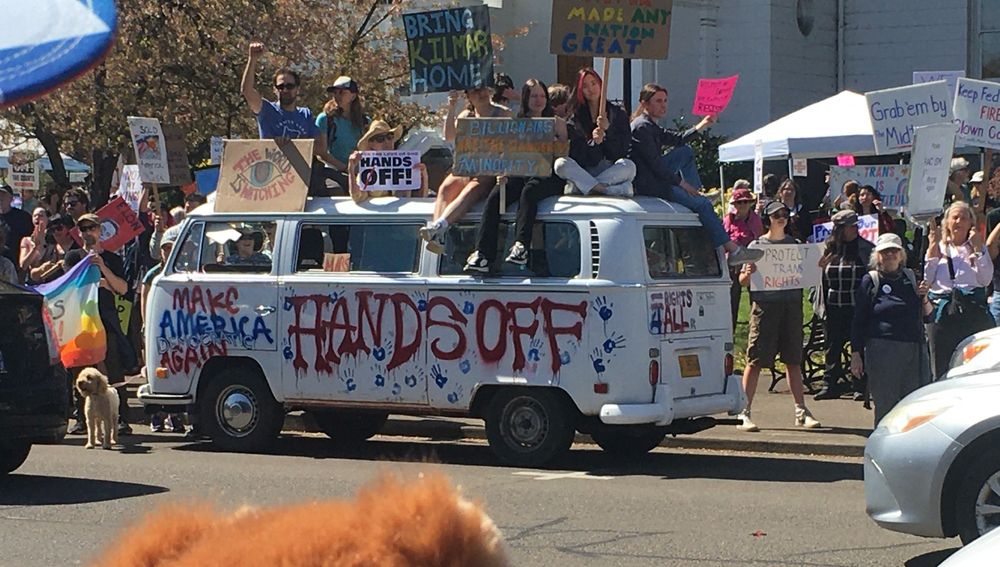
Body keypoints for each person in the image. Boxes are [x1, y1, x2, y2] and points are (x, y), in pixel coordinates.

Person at [629, 83, 763, 266]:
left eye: (665, 101)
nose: (663, 105)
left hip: (657, 176)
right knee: (701, 205)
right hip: (652, 184)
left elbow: (677, 139)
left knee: (684, 151)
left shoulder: (649, 125)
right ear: (644, 104)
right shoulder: (641, 127)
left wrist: (703, 124)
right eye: (658, 101)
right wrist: (682, 184)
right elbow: (656, 165)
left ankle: (699, 193)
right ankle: (734, 250)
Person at [464, 78, 568, 273]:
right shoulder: (515, 123)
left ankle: (521, 246)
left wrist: (553, 140)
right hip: (520, 172)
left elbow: (563, 156)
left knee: (529, 192)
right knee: (496, 196)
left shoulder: (557, 123)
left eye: (543, 96)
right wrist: (502, 171)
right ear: (526, 98)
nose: (539, 100)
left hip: (547, 175)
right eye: (534, 95)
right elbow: (507, 152)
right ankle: (483, 254)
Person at [736, 200, 821, 432]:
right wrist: (749, 272)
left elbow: (808, 272)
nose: (781, 217)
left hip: (791, 306)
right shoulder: (756, 245)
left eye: (784, 213)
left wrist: (817, 264)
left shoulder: (795, 245)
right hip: (764, 307)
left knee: (793, 359)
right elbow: (743, 281)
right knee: (755, 360)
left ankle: (801, 411)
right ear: (767, 219)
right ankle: (744, 411)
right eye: (776, 215)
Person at [851, 233, 932, 425]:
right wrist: (856, 353)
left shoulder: (912, 278)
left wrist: (925, 297)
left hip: (914, 349)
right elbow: (858, 320)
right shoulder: (870, 281)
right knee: (886, 405)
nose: (890, 255)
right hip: (882, 350)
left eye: (894, 251)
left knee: (914, 404)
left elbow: (928, 315)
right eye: (885, 251)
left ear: (901, 254)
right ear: (877, 255)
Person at [64, 213, 133, 436]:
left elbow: (122, 288)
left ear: (99, 230)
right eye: (83, 229)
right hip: (82, 320)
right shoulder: (73, 256)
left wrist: (103, 269)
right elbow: (69, 285)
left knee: (112, 368)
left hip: (106, 320)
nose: (88, 233)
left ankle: (121, 416)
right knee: (81, 369)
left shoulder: (112, 258)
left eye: (91, 228)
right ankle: (82, 418)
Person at [419, 87, 512, 253]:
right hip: (468, 168)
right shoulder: (466, 116)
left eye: (483, 90)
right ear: (468, 96)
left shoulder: (503, 113)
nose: (481, 94)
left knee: (470, 191)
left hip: (490, 171)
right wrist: (452, 107)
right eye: (475, 92)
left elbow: (513, 144)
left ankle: (441, 225)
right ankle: (437, 234)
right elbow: (449, 136)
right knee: (446, 188)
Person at [925, 202, 994, 378]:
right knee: (940, 365)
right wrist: (932, 254)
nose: (958, 221)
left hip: (971, 311)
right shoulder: (938, 247)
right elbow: (928, 281)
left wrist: (978, 250)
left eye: (963, 218)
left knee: (973, 365)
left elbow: (985, 279)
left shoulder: (977, 247)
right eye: (955, 217)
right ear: (947, 222)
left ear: (970, 223)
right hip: (943, 313)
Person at [813, 210, 874, 400]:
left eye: (856, 225)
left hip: (857, 305)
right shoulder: (827, 249)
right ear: (840, 229)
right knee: (832, 345)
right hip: (832, 305)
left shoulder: (865, 249)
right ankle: (829, 384)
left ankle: (859, 385)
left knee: (858, 345)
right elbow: (815, 278)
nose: (855, 229)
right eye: (851, 226)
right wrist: (819, 268)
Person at [553, 68, 635, 197]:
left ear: (600, 84)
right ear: (580, 90)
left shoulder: (617, 113)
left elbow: (621, 151)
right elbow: (577, 153)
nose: (590, 89)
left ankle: (584, 187)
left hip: (610, 169)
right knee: (561, 164)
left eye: (593, 83)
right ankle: (605, 190)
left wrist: (608, 131)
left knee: (629, 166)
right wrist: (594, 143)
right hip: (585, 170)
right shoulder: (576, 116)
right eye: (585, 86)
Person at [141, 229, 185, 433]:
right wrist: (145, 325)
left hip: (177, 329)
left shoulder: (184, 271)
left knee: (176, 371)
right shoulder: (153, 274)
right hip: (157, 330)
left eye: (172, 248)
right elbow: (144, 299)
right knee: (156, 374)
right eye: (165, 248)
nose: (168, 252)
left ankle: (175, 416)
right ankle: (156, 416)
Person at [348, 120, 429, 201]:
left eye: (389, 137)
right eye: (380, 139)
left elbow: (421, 199)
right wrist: (351, 169)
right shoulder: (368, 169)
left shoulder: (404, 166)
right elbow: (357, 197)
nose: (387, 142)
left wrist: (423, 177)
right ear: (370, 145)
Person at [316, 76, 368, 193]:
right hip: (333, 171)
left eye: (342, 92)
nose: (337, 95)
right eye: (335, 92)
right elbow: (322, 153)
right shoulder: (325, 119)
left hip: (359, 172)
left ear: (353, 96)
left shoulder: (365, 121)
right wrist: (346, 169)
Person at [723, 187, 763, 328]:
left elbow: (759, 241)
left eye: (745, 202)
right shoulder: (728, 219)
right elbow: (723, 240)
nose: (743, 205)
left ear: (750, 203)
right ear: (734, 205)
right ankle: (730, 332)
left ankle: (756, 329)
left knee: (756, 300)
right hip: (732, 265)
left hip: (751, 264)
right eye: (739, 202)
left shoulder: (756, 220)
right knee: (731, 301)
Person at [0, 184, 32, 278]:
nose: (0, 198)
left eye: (3, 195)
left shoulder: (23, 217)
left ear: (11, 198)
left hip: (17, 268)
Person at [18, 207, 57, 282]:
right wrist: (35, 247)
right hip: (32, 281)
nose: (37, 217)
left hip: (51, 280)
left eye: (41, 215)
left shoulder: (53, 238)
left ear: (47, 219)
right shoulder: (26, 241)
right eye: (35, 215)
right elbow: (23, 265)